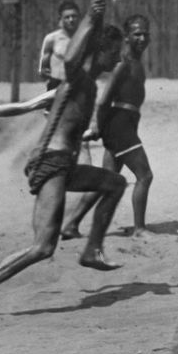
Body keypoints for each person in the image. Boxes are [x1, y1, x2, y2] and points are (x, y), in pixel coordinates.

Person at [0, 0, 126, 324]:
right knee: (43, 247)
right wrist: (89, 17)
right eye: (114, 54)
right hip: (52, 162)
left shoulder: (82, 87)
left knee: (115, 183)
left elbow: (24, 107)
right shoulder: (79, 79)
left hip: (64, 164)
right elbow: (72, 59)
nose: (117, 60)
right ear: (100, 52)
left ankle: (91, 249)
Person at [60, 14, 154, 239]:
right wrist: (99, 128)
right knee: (145, 176)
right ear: (127, 38)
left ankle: (71, 224)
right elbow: (103, 101)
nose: (141, 38)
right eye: (136, 34)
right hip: (119, 125)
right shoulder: (123, 64)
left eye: (145, 33)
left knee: (105, 179)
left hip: (126, 123)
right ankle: (139, 229)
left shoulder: (136, 62)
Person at [38, 1, 82, 90]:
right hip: (56, 85)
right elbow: (43, 69)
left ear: (79, 18)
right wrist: (45, 73)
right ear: (60, 19)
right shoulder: (51, 39)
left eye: (74, 16)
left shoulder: (84, 38)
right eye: (67, 17)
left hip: (79, 85)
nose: (71, 20)